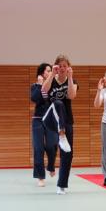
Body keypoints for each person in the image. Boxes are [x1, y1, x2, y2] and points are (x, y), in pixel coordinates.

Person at [42, 54, 78, 195]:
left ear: (68, 68)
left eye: (65, 66)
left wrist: (69, 77)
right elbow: (44, 90)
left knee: (67, 153)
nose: (62, 68)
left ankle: (61, 185)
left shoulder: (72, 81)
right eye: (60, 66)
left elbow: (71, 96)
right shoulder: (51, 79)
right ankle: (61, 134)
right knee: (58, 103)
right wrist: (52, 74)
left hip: (67, 120)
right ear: (56, 67)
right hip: (51, 119)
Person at [30, 63, 57, 187]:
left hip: (50, 120)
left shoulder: (53, 86)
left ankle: (51, 165)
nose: (49, 72)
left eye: (51, 70)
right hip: (38, 120)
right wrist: (40, 85)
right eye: (47, 70)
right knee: (38, 148)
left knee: (52, 145)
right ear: (41, 73)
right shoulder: (35, 86)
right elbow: (35, 99)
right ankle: (40, 176)